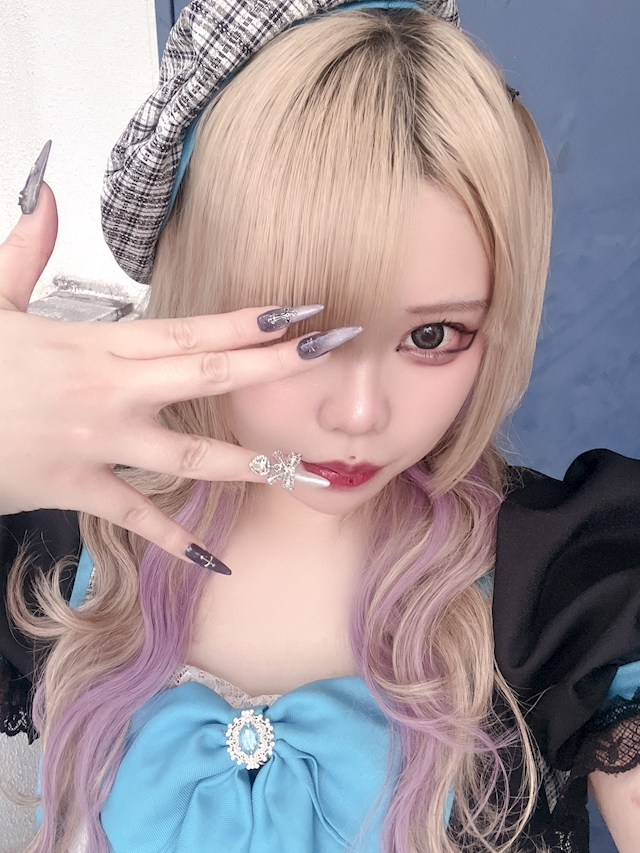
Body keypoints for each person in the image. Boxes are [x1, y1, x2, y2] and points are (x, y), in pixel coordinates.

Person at [3, 1, 640, 852]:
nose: (361, 413)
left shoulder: (564, 587)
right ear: (198, 286)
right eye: (303, 333)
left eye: (432, 336)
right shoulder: (62, 532)